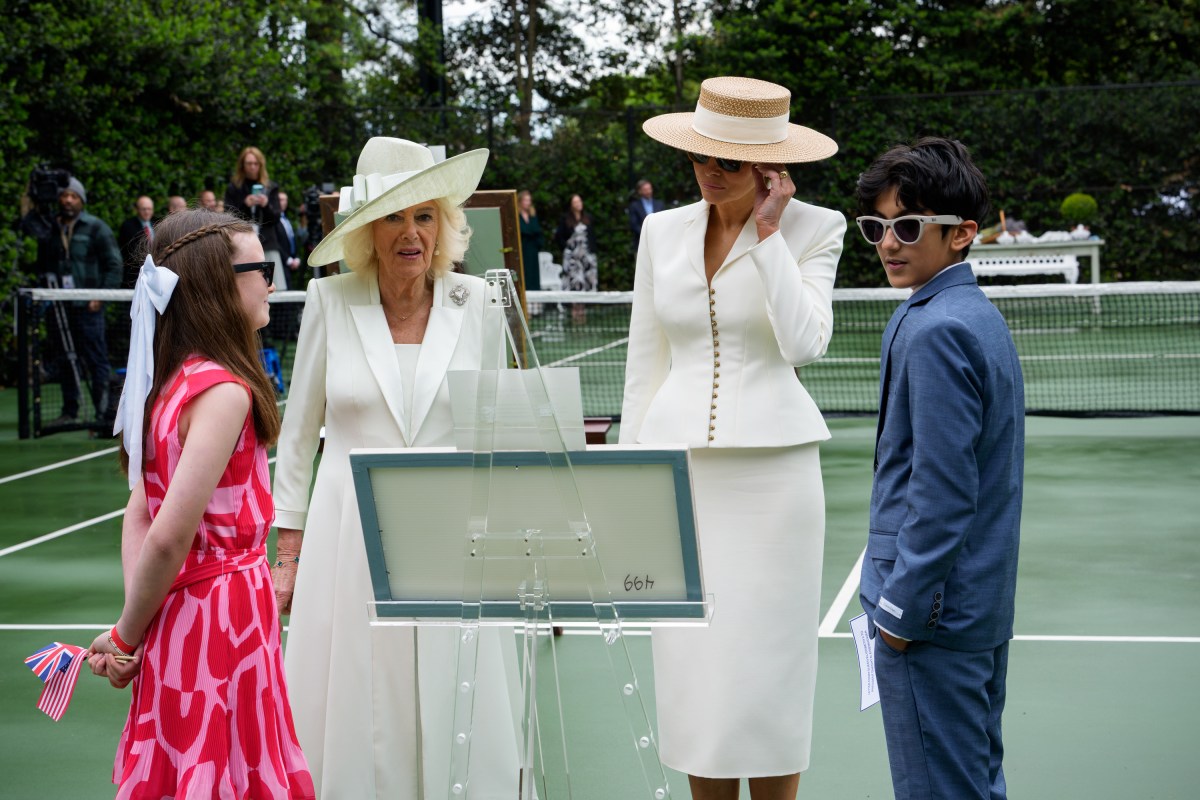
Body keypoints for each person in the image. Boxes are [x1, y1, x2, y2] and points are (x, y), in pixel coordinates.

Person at [271, 137, 522, 799]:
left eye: (424, 216)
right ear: (367, 232)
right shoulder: (329, 303)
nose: (410, 233)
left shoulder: (479, 304)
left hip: (451, 532)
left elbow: (496, 428)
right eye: (393, 217)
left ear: (444, 226)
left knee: (451, 683)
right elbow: (298, 436)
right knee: (357, 689)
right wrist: (289, 551)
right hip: (347, 531)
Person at [621, 76, 844, 800]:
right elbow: (642, 362)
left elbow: (805, 341)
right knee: (694, 674)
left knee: (769, 676)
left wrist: (772, 234)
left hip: (775, 489)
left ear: (772, 168)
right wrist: (627, 483)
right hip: (678, 481)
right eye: (700, 160)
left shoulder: (818, 227)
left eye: (729, 165)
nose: (710, 175)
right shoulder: (661, 232)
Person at [86, 209, 314, 798]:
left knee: (186, 754)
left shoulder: (168, 384)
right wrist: (127, 634)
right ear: (215, 285)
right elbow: (167, 532)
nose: (270, 281)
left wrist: (136, 625)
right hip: (222, 616)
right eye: (258, 268)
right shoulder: (224, 392)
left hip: (178, 614)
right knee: (225, 763)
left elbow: (141, 512)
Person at [855, 137, 1024, 800]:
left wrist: (897, 615)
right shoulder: (970, 316)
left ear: (962, 235)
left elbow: (944, 494)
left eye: (906, 226)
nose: (888, 243)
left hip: (930, 622)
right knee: (974, 782)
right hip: (970, 612)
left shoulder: (935, 329)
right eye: (877, 228)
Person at [38, 176, 123, 426]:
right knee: (65, 357)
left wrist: (100, 296)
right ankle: (69, 410)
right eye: (64, 195)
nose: (67, 200)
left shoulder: (96, 227)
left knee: (96, 360)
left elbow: (114, 264)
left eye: (73, 196)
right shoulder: (50, 229)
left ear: (81, 200)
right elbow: (43, 265)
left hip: (88, 307)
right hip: (60, 307)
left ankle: (103, 412)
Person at [224, 146, 285, 286]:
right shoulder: (234, 188)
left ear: (261, 165)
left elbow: (276, 217)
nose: (252, 167)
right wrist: (245, 204)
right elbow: (227, 217)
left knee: (275, 287)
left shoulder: (270, 187)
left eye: (256, 163)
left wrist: (266, 205)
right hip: (242, 242)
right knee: (247, 285)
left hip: (268, 242)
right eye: (249, 163)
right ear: (242, 165)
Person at [553, 193, 598, 293]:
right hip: (573, 260)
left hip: (587, 257)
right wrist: (566, 248)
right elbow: (559, 236)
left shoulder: (588, 218)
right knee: (575, 284)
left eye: (579, 201)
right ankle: (575, 308)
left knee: (588, 283)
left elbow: (592, 237)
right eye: (575, 202)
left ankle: (583, 308)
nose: (578, 204)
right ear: (571, 205)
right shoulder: (565, 219)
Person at [117, 195, 156, 288]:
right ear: (137, 210)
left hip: (154, 275)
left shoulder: (156, 225)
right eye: (144, 209)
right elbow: (128, 252)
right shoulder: (128, 226)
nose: (147, 212)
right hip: (135, 276)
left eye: (149, 209)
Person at [517, 189, 542, 291]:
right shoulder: (517, 215)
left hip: (533, 249)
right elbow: (522, 230)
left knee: (534, 273)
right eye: (526, 200)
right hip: (522, 248)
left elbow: (537, 230)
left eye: (529, 200)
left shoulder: (532, 216)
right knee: (524, 272)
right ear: (520, 201)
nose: (528, 203)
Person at [275, 190, 300, 289]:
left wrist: (296, 258)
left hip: (292, 261)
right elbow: (276, 242)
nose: (284, 202)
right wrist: (288, 260)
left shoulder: (286, 220)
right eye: (281, 199)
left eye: (285, 200)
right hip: (282, 262)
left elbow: (292, 240)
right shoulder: (274, 221)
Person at [627, 178, 664, 245]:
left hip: (659, 241)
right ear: (639, 191)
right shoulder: (634, 206)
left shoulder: (659, 204)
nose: (648, 191)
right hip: (641, 242)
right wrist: (646, 234)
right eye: (645, 190)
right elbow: (634, 224)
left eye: (649, 189)